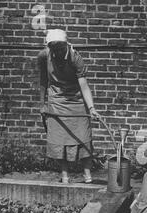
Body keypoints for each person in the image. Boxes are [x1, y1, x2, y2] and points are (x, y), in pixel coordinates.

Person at [37, 29, 100, 184]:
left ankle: (87, 175)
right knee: (60, 138)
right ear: (49, 47)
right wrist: (43, 104)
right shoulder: (43, 56)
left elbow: (84, 85)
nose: (58, 51)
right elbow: (43, 81)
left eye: (60, 48)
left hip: (76, 99)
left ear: (66, 45)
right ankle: (65, 176)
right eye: (54, 48)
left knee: (82, 136)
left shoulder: (75, 58)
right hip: (57, 99)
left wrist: (91, 108)